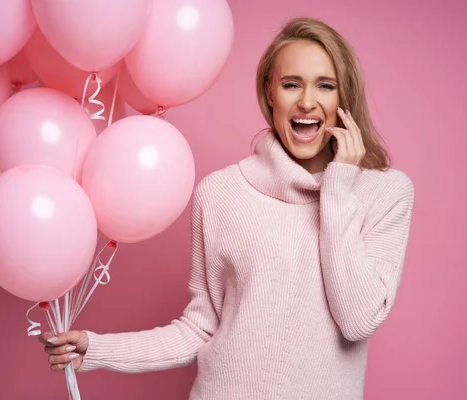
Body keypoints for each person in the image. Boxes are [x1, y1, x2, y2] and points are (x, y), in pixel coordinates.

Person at [39, 16, 415, 399]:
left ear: (343, 98)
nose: (306, 101)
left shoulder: (385, 193)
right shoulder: (221, 193)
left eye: (325, 85)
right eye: (290, 84)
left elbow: (358, 320)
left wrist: (337, 188)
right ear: (270, 93)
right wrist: (97, 348)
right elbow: (199, 329)